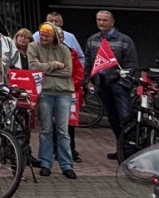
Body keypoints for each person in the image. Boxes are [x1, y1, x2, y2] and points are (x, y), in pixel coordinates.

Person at [83, 10, 138, 161]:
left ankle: (131, 150)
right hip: (102, 84)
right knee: (113, 118)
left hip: (119, 85)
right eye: (98, 19)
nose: (101, 23)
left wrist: (123, 81)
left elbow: (131, 64)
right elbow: (88, 62)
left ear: (112, 22)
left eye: (104, 20)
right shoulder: (92, 40)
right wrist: (88, 80)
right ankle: (120, 147)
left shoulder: (125, 40)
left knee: (125, 117)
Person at [27, 23, 76, 179]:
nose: (43, 38)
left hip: (64, 93)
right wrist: (55, 65)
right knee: (46, 129)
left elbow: (68, 71)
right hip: (45, 93)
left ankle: (66, 165)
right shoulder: (33, 47)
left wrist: (46, 71)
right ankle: (45, 163)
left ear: (54, 35)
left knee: (63, 130)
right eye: (42, 35)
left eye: (47, 35)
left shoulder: (64, 49)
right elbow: (33, 68)